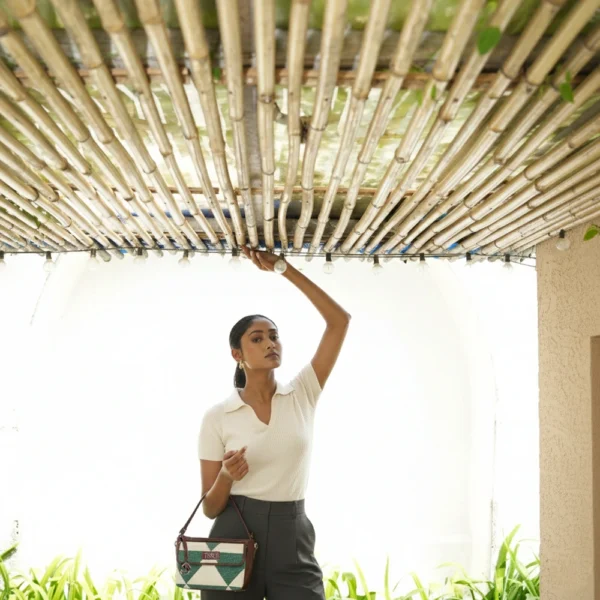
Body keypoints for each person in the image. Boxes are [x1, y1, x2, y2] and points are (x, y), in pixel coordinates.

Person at [197, 246, 351, 600]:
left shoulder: (302, 393)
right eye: (257, 338)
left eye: (274, 335)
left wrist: (284, 268)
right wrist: (226, 476)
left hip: (291, 531)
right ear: (237, 355)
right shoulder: (217, 416)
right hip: (233, 531)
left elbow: (339, 321)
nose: (270, 343)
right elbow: (209, 507)